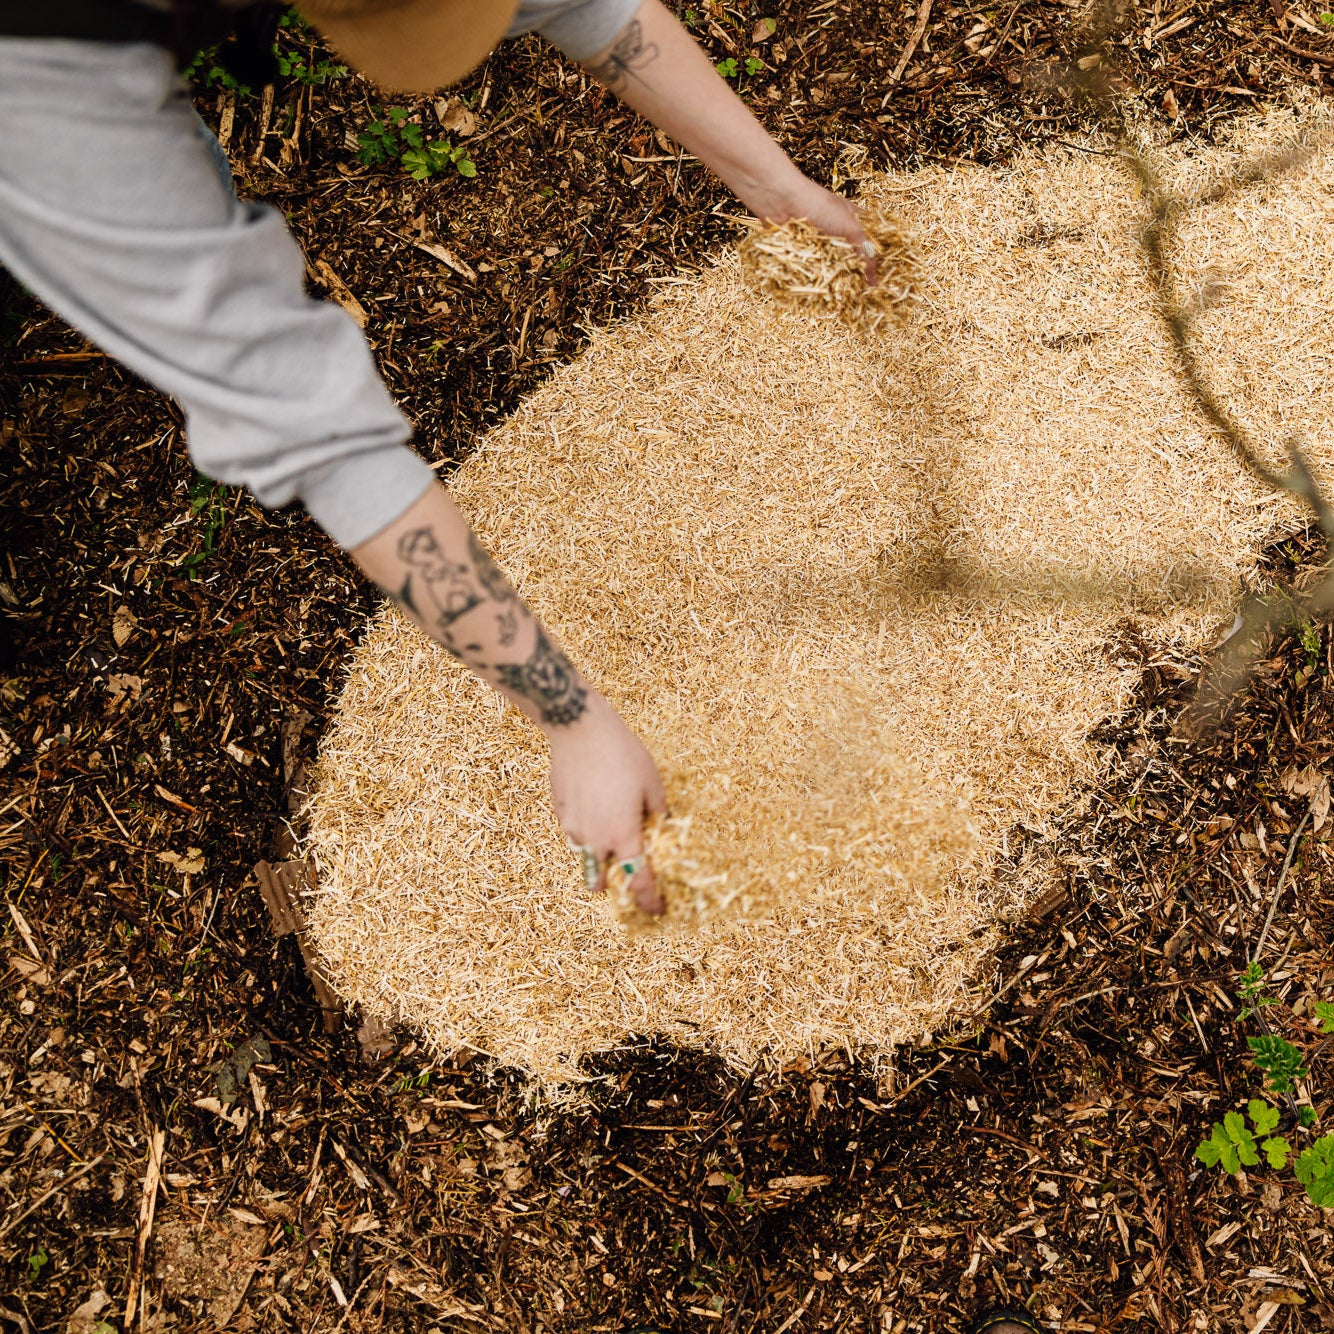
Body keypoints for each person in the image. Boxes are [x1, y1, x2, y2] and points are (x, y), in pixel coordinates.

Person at [0, 0, 874, 914]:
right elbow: (320, 432)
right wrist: (572, 720)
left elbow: (581, 1)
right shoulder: (48, 78)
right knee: (130, 226)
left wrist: (777, 190)